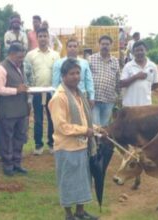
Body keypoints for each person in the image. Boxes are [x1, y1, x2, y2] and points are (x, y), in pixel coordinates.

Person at [49, 58, 98, 220]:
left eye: (78, 73)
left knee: (83, 180)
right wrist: (86, 130)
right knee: (68, 181)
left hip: (81, 145)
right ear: (63, 76)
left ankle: (80, 212)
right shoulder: (59, 97)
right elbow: (61, 126)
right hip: (66, 147)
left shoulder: (79, 94)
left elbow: (84, 119)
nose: (76, 77)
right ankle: (69, 215)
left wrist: (97, 129)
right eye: (72, 74)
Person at [0, 42, 29, 177]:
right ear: (11, 54)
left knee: (19, 137)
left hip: (21, 109)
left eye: (22, 57)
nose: (21, 60)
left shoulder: (20, 66)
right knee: (7, 138)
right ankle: (7, 165)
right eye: (19, 57)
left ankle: (17, 163)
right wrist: (16, 90)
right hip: (7, 110)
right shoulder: (0, 68)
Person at [25, 27, 60, 155]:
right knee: (38, 119)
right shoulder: (30, 55)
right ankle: (38, 145)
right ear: (37, 38)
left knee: (52, 119)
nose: (43, 38)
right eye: (40, 36)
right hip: (36, 92)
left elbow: (58, 74)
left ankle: (51, 143)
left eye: (45, 36)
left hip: (52, 92)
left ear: (48, 38)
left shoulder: (55, 55)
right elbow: (27, 74)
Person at [88, 35, 120, 126]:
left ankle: (101, 141)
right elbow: (86, 79)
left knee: (105, 126)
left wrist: (119, 97)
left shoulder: (115, 61)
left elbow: (117, 80)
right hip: (94, 99)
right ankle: (96, 140)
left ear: (111, 46)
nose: (105, 46)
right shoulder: (91, 59)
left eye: (107, 44)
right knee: (96, 126)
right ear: (99, 45)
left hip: (109, 100)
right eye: (103, 44)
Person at [52, 38, 94, 106]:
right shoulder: (58, 63)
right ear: (66, 48)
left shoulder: (84, 63)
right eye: (70, 46)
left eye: (75, 46)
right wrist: (54, 97)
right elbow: (55, 83)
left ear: (78, 48)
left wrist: (92, 97)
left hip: (81, 96)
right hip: (64, 96)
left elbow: (89, 81)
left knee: (82, 116)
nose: (72, 48)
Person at [120, 41, 158, 107]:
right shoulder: (128, 66)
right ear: (133, 53)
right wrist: (136, 77)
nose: (139, 53)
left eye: (142, 50)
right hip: (130, 106)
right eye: (137, 51)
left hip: (146, 105)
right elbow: (122, 83)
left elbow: (156, 84)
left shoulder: (153, 66)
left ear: (146, 50)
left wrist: (145, 90)